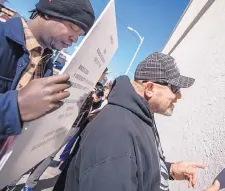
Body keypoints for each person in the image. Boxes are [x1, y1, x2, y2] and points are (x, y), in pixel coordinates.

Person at [0, 0, 95, 189]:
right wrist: (14, 107)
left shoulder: (46, 66)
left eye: (80, 34)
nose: (74, 39)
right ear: (49, 13)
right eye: (73, 27)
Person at [64, 52, 205, 191]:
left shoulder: (139, 115)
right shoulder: (115, 133)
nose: (179, 96)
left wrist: (169, 169)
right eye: (175, 88)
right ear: (150, 88)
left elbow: (134, 165)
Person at [5, 68, 109, 191]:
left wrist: (94, 99)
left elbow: (95, 105)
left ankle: (30, 184)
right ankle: (12, 181)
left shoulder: (99, 88)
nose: (103, 76)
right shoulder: (81, 77)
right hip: (58, 119)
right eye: (103, 73)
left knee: (50, 154)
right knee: (35, 149)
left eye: (104, 74)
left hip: (74, 125)